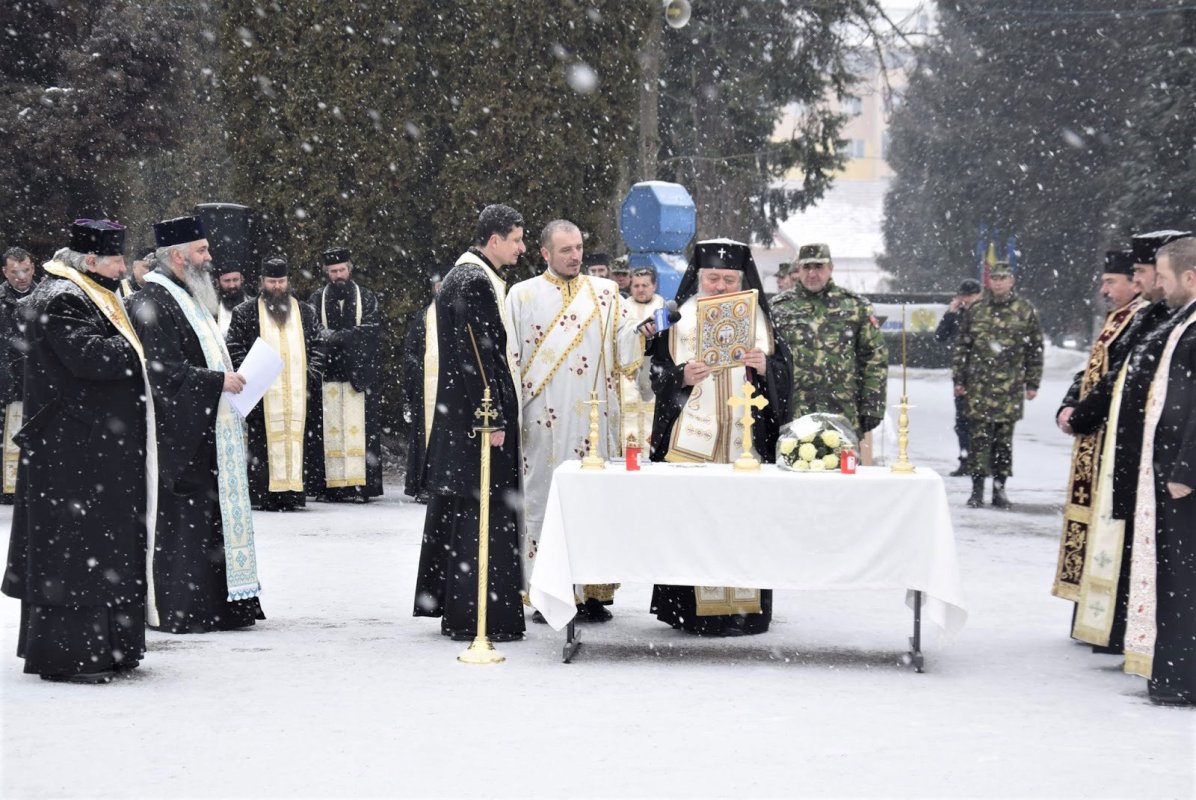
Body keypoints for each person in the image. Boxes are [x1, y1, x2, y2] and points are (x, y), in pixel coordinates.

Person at [1, 220, 155, 683]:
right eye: (116, 260)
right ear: (91, 262)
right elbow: (90, 357)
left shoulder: (87, 291)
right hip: (71, 453)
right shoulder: (63, 297)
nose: (123, 267)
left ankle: (112, 645)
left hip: (93, 447)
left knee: (104, 549)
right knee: (77, 555)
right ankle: (71, 655)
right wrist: (140, 344)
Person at [506, 220, 650, 623]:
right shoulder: (522, 295)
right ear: (545, 253)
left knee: (593, 502)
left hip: (594, 421)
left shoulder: (605, 293)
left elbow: (625, 347)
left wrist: (640, 331)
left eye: (579, 247)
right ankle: (546, 591)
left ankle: (590, 593)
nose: (575, 256)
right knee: (544, 503)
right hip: (542, 424)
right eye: (566, 249)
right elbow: (511, 357)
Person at [648, 239, 793, 636]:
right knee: (693, 523)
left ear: (742, 279)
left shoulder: (763, 319)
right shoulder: (673, 317)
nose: (720, 286)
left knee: (743, 522)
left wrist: (766, 367)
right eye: (712, 278)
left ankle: (745, 611)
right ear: (698, 277)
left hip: (745, 442)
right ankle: (691, 613)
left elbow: (785, 373)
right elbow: (653, 374)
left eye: (729, 279)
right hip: (689, 442)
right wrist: (681, 377)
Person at [127, 215, 264, 633]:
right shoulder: (153, 300)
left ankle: (224, 606)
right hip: (179, 437)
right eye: (201, 251)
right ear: (177, 257)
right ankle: (185, 608)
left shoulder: (188, 296)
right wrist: (217, 380)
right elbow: (163, 371)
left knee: (210, 519)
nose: (210, 258)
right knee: (187, 523)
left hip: (207, 428)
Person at [1062, 230, 1193, 655]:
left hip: (1153, 454)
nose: (1136, 282)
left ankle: (1133, 637)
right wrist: (1072, 404)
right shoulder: (1149, 316)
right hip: (1130, 448)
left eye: (1141, 273)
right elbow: (1101, 373)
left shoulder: (1165, 319)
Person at [413, 204, 527, 642]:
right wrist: (493, 416)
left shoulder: (467, 276)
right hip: (476, 423)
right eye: (516, 239)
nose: (520, 248)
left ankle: (462, 606)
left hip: (462, 420)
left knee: (467, 513)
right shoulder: (475, 282)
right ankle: (482, 613)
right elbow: (478, 356)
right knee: (485, 514)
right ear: (493, 240)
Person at [1050, 251, 1146, 632]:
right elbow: (1090, 369)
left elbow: (1114, 380)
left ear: (1134, 282)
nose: (1104, 290)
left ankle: (1104, 620)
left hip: (1109, 436)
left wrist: (1085, 414)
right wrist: (1069, 403)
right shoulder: (1116, 317)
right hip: (1093, 433)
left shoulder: (1139, 318)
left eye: (1111, 282)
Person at [1123, 237, 1196, 706]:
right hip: (1170, 469)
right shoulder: (1185, 320)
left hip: (1183, 476)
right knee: (1174, 574)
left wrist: (1186, 466)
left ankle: (1181, 678)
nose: (1160, 287)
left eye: (1165, 279)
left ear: (1190, 278)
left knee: (1184, 579)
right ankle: (1172, 673)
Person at [225, 256, 325, 511]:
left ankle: (294, 494)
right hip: (262, 396)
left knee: (296, 440)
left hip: (298, 395)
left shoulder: (305, 312)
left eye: (281, 281)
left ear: (288, 281)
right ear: (262, 282)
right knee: (263, 445)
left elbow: (319, 347)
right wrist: (248, 376)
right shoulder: (245, 313)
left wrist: (311, 374)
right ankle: (264, 495)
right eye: (272, 282)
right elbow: (234, 347)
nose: (277, 287)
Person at [771, 242, 887, 446]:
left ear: (831, 268)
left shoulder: (855, 306)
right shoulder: (779, 309)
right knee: (794, 468)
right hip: (794, 411)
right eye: (807, 267)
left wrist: (872, 405)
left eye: (819, 267)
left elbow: (874, 356)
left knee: (842, 472)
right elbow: (768, 358)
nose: (812, 274)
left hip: (841, 410)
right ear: (798, 270)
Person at [952, 261, 1043, 509]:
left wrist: (1033, 382)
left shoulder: (1025, 310)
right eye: (995, 278)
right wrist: (958, 380)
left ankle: (999, 489)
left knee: (1003, 441)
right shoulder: (977, 310)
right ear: (989, 281)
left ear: (1012, 281)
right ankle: (977, 490)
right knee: (978, 439)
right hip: (979, 386)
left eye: (1004, 278)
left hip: (1010, 387)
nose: (999, 282)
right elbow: (963, 347)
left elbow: (1035, 348)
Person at [307, 248, 383, 502]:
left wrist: (338, 337)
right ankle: (332, 486)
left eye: (342, 270)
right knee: (328, 432)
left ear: (349, 270)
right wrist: (346, 336)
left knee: (359, 430)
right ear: (326, 273)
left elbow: (370, 332)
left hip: (356, 374)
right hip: (328, 373)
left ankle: (361, 486)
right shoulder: (317, 299)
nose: (338, 275)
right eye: (333, 271)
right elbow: (314, 332)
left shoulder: (367, 297)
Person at [0, 247, 39, 503]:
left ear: (33, 268)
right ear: (5, 272)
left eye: (25, 270)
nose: (21, 276)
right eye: (14, 272)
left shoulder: (44, 297)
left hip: (36, 379)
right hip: (4, 379)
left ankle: (33, 486)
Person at [935, 277, 984, 476]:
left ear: (979, 295)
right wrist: (950, 313)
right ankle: (965, 460)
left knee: (982, 422)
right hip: (962, 374)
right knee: (962, 421)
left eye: (970, 295)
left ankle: (982, 463)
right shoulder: (957, 315)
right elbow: (940, 336)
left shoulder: (987, 314)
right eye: (963, 295)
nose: (966, 299)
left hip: (985, 375)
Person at [401, 273, 442, 502]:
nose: (442, 289)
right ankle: (425, 484)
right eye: (438, 285)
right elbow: (411, 353)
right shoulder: (423, 318)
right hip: (426, 388)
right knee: (424, 435)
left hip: (453, 391)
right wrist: (419, 375)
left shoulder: (461, 316)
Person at [622, 267, 665, 446]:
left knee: (653, 414)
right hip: (627, 373)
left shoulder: (663, 308)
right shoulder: (622, 308)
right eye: (636, 285)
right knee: (627, 415)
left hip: (655, 369)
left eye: (645, 285)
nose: (640, 289)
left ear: (654, 286)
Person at [216, 262, 252, 336]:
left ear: (242, 279)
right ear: (218, 282)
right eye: (227, 281)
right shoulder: (212, 309)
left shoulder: (254, 305)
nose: (232, 286)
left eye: (235, 280)